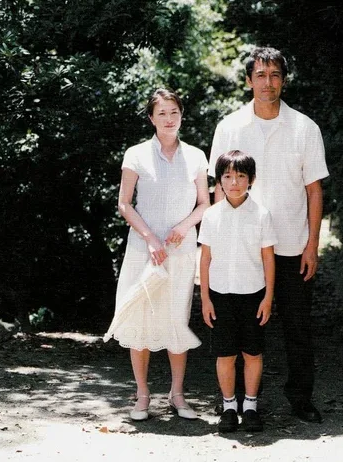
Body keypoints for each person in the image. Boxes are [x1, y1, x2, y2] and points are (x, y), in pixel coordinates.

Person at [209, 47, 329, 423]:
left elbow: (314, 190)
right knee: (239, 329)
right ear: (249, 80)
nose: (267, 82)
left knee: (297, 326)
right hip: (242, 250)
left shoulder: (305, 128)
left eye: (275, 74)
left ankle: (301, 399)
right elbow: (219, 190)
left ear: (284, 81)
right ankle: (238, 402)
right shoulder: (229, 127)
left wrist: (312, 244)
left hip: (292, 243)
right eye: (260, 75)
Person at [104, 88, 210, 421]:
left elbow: (205, 203)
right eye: (162, 113)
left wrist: (184, 226)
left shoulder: (196, 156)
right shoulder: (136, 154)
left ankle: (177, 395)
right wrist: (150, 238)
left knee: (177, 317)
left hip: (180, 249)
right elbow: (124, 203)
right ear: (151, 118)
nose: (169, 119)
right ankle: (142, 394)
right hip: (143, 249)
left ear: (182, 115)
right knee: (140, 316)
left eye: (174, 112)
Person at [199, 150, 277, 433]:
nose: (234, 182)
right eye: (228, 176)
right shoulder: (211, 215)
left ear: (251, 180)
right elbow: (205, 259)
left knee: (253, 353)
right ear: (219, 180)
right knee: (226, 355)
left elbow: (268, 258)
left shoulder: (262, 214)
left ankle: (251, 406)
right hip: (220, 295)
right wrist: (205, 299)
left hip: (253, 294)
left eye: (241, 176)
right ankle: (229, 407)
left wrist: (268, 297)